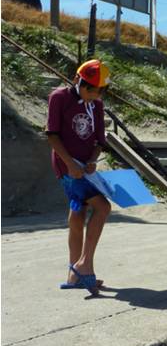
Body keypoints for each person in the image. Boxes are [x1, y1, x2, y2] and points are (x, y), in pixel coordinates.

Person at [49, 60, 112, 295]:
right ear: (77, 80)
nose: (94, 96)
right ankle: (84, 265)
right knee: (103, 207)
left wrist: (93, 160)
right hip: (66, 167)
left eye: (99, 92)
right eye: (91, 91)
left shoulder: (97, 104)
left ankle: (74, 275)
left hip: (85, 169)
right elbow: (52, 135)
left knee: (78, 213)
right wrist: (69, 163)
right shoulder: (59, 97)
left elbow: (99, 141)